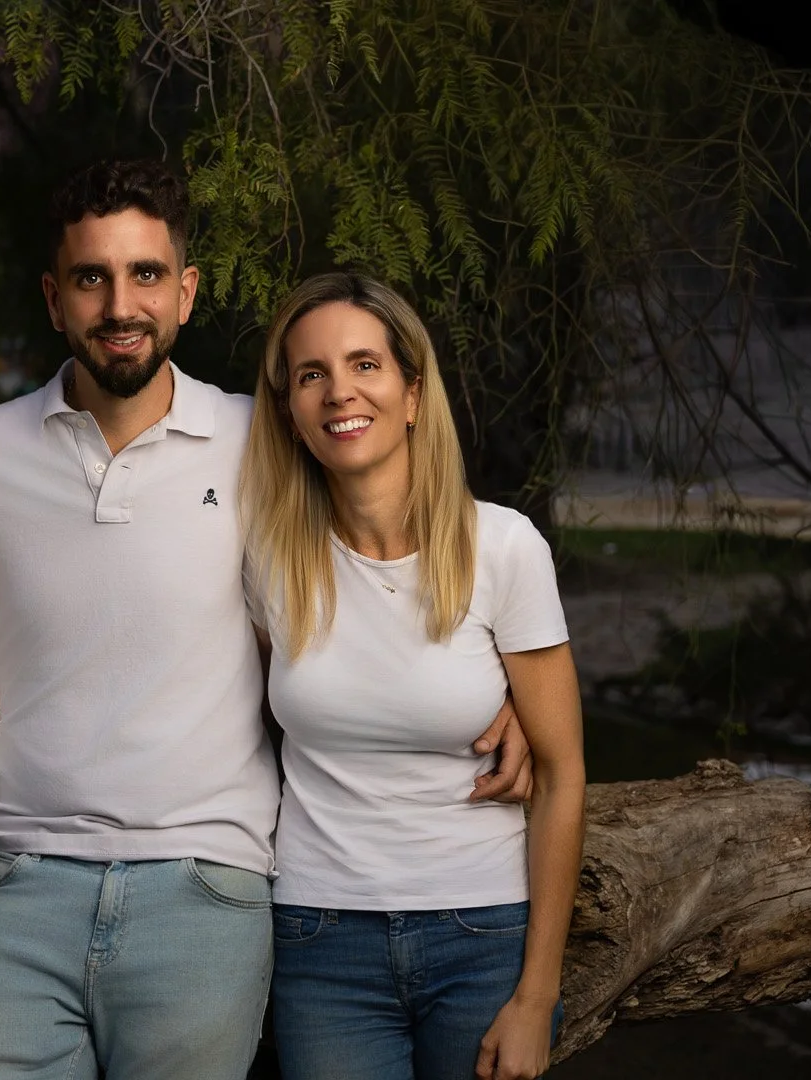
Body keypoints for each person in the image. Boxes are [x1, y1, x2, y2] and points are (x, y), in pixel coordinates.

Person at [0, 160, 534, 1080]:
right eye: (92, 278)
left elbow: (391, 554)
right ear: (56, 300)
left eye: (145, 275)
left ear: (186, 293)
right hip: (22, 871)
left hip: (208, 880)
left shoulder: (264, 441)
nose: (119, 304)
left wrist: (513, 694)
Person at [240, 271, 586, 1080]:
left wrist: (538, 996)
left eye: (365, 365)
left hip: (482, 935)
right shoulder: (268, 562)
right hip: (320, 940)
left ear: (411, 394)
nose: (338, 393)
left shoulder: (502, 549)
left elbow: (565, 776)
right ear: (289, 410)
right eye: (310, 374)